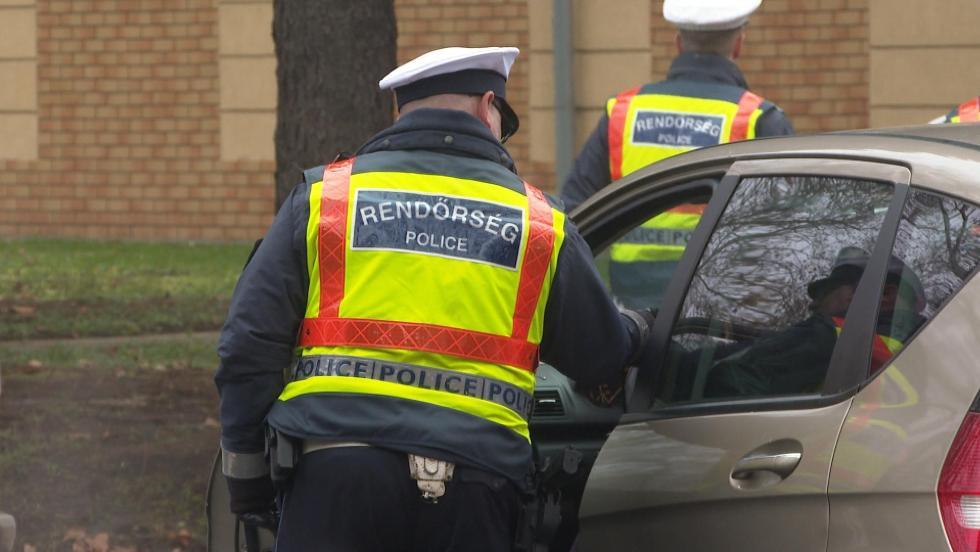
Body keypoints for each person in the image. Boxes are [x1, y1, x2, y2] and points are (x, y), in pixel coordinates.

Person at [214, 46, 654, 552]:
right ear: (486, 106)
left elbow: (247, 346)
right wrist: (641, 329)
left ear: (404, 112)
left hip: (334, 476)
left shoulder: (327, 198)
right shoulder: (539, 222)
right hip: (477, 483)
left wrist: (247, 478)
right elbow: (598, 355)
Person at [562, 0, 794, 311]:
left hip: (627, 315)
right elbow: (789, 233)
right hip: (720, 317)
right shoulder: (757, 119)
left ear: (678, 43)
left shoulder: (623, 113)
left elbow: (571, 219)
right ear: (738, 44)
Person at [704, 247, 926, 398]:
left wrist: (691, 369)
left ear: (884, 295)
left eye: (826, 292)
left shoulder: (830, 336)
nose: (814, 305)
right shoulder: (925, 353)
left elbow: (730, 376)